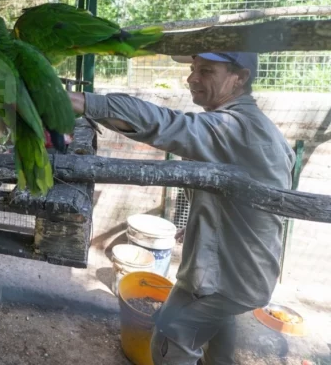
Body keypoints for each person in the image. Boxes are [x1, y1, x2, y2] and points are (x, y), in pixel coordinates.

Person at [68, 52, 295, 365]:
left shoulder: (236, 128)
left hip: (222, 279)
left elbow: (167, 124)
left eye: (206, 70)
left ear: (239, 78)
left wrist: (83, 102)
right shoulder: (258, 125)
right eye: (192, 69)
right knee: (217, 332)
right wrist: (208, 220)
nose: (191, 79)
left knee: (170, 340)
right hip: (248, 275)